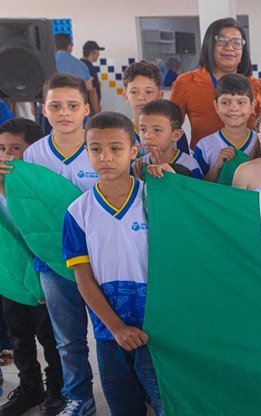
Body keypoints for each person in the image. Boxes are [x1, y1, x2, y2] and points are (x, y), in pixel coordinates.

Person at [62, 111, 163, 415]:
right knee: (123, 404)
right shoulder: (78, 212)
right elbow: (84, 278)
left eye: (116, 148)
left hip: (157, 329)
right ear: (86, 151)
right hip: (109, 332)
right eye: (96, 149)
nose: (105, 157)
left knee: (165, 402)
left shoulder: (155, 200)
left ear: (134, 151)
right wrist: (116, 327)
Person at [19, 74, 97, 414]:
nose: (63, 113)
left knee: (113, 332)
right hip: (54, 261)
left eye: (71, 105)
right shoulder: (34, 154)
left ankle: (130, 389)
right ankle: (79, 396)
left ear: (86, 109)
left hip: (102, 257)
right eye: (55, 106)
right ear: (43, 109)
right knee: (67, 337)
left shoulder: (101, 145)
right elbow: (29, 213)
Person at [0, 118, 65, 416]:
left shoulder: (39, 187)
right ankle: (29, 386)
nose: (6, 155)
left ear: (32, 151)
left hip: (43, 276)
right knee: (19, 334)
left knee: (49, 336)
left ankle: (57, 388)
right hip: (10, 277)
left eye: (15, 148)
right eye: (1, 148)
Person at [170, 17, 261, 148]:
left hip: (248, 162)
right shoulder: (187, 82)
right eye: (222, 40)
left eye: (237, 42)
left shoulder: (254, 85)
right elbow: (170, 128)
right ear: (209, 45)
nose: (230, 47)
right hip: (204, 162)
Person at [193, 74, 257, 182]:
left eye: (241, 102)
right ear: (216, 106)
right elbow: (198, 188)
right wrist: (216, 166)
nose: (233, 108)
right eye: (225, 102)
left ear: (252, 106)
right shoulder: (204, 146)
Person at [123, 61, 190, 155]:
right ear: (126, 96)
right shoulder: (121, 133)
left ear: (160, 95)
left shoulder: (174, 133)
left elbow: (185, 167)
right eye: (134, 92)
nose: (141, 97)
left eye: (149, 92)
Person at [134, 99, 202, 179]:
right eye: (143, 129)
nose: (148, 136)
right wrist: (140, 180)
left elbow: (195, 191)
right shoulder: (139, 165)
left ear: (176, 135)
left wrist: (163, 176)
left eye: (157, 130)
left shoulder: (189, 165)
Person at [54, 34, 100, 115]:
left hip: (54, 110)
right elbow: (90, 88)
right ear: (69, 47)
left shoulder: (46, 64)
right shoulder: (81, 65)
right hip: (77, 110)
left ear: (54, 47)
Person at [80, 41, 104, 105]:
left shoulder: (79, 65)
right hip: (90, 106)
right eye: (97, 52)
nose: (99, 54)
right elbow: (92, 92)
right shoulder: (90, 68)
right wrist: (97, 110)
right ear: (92, 52)